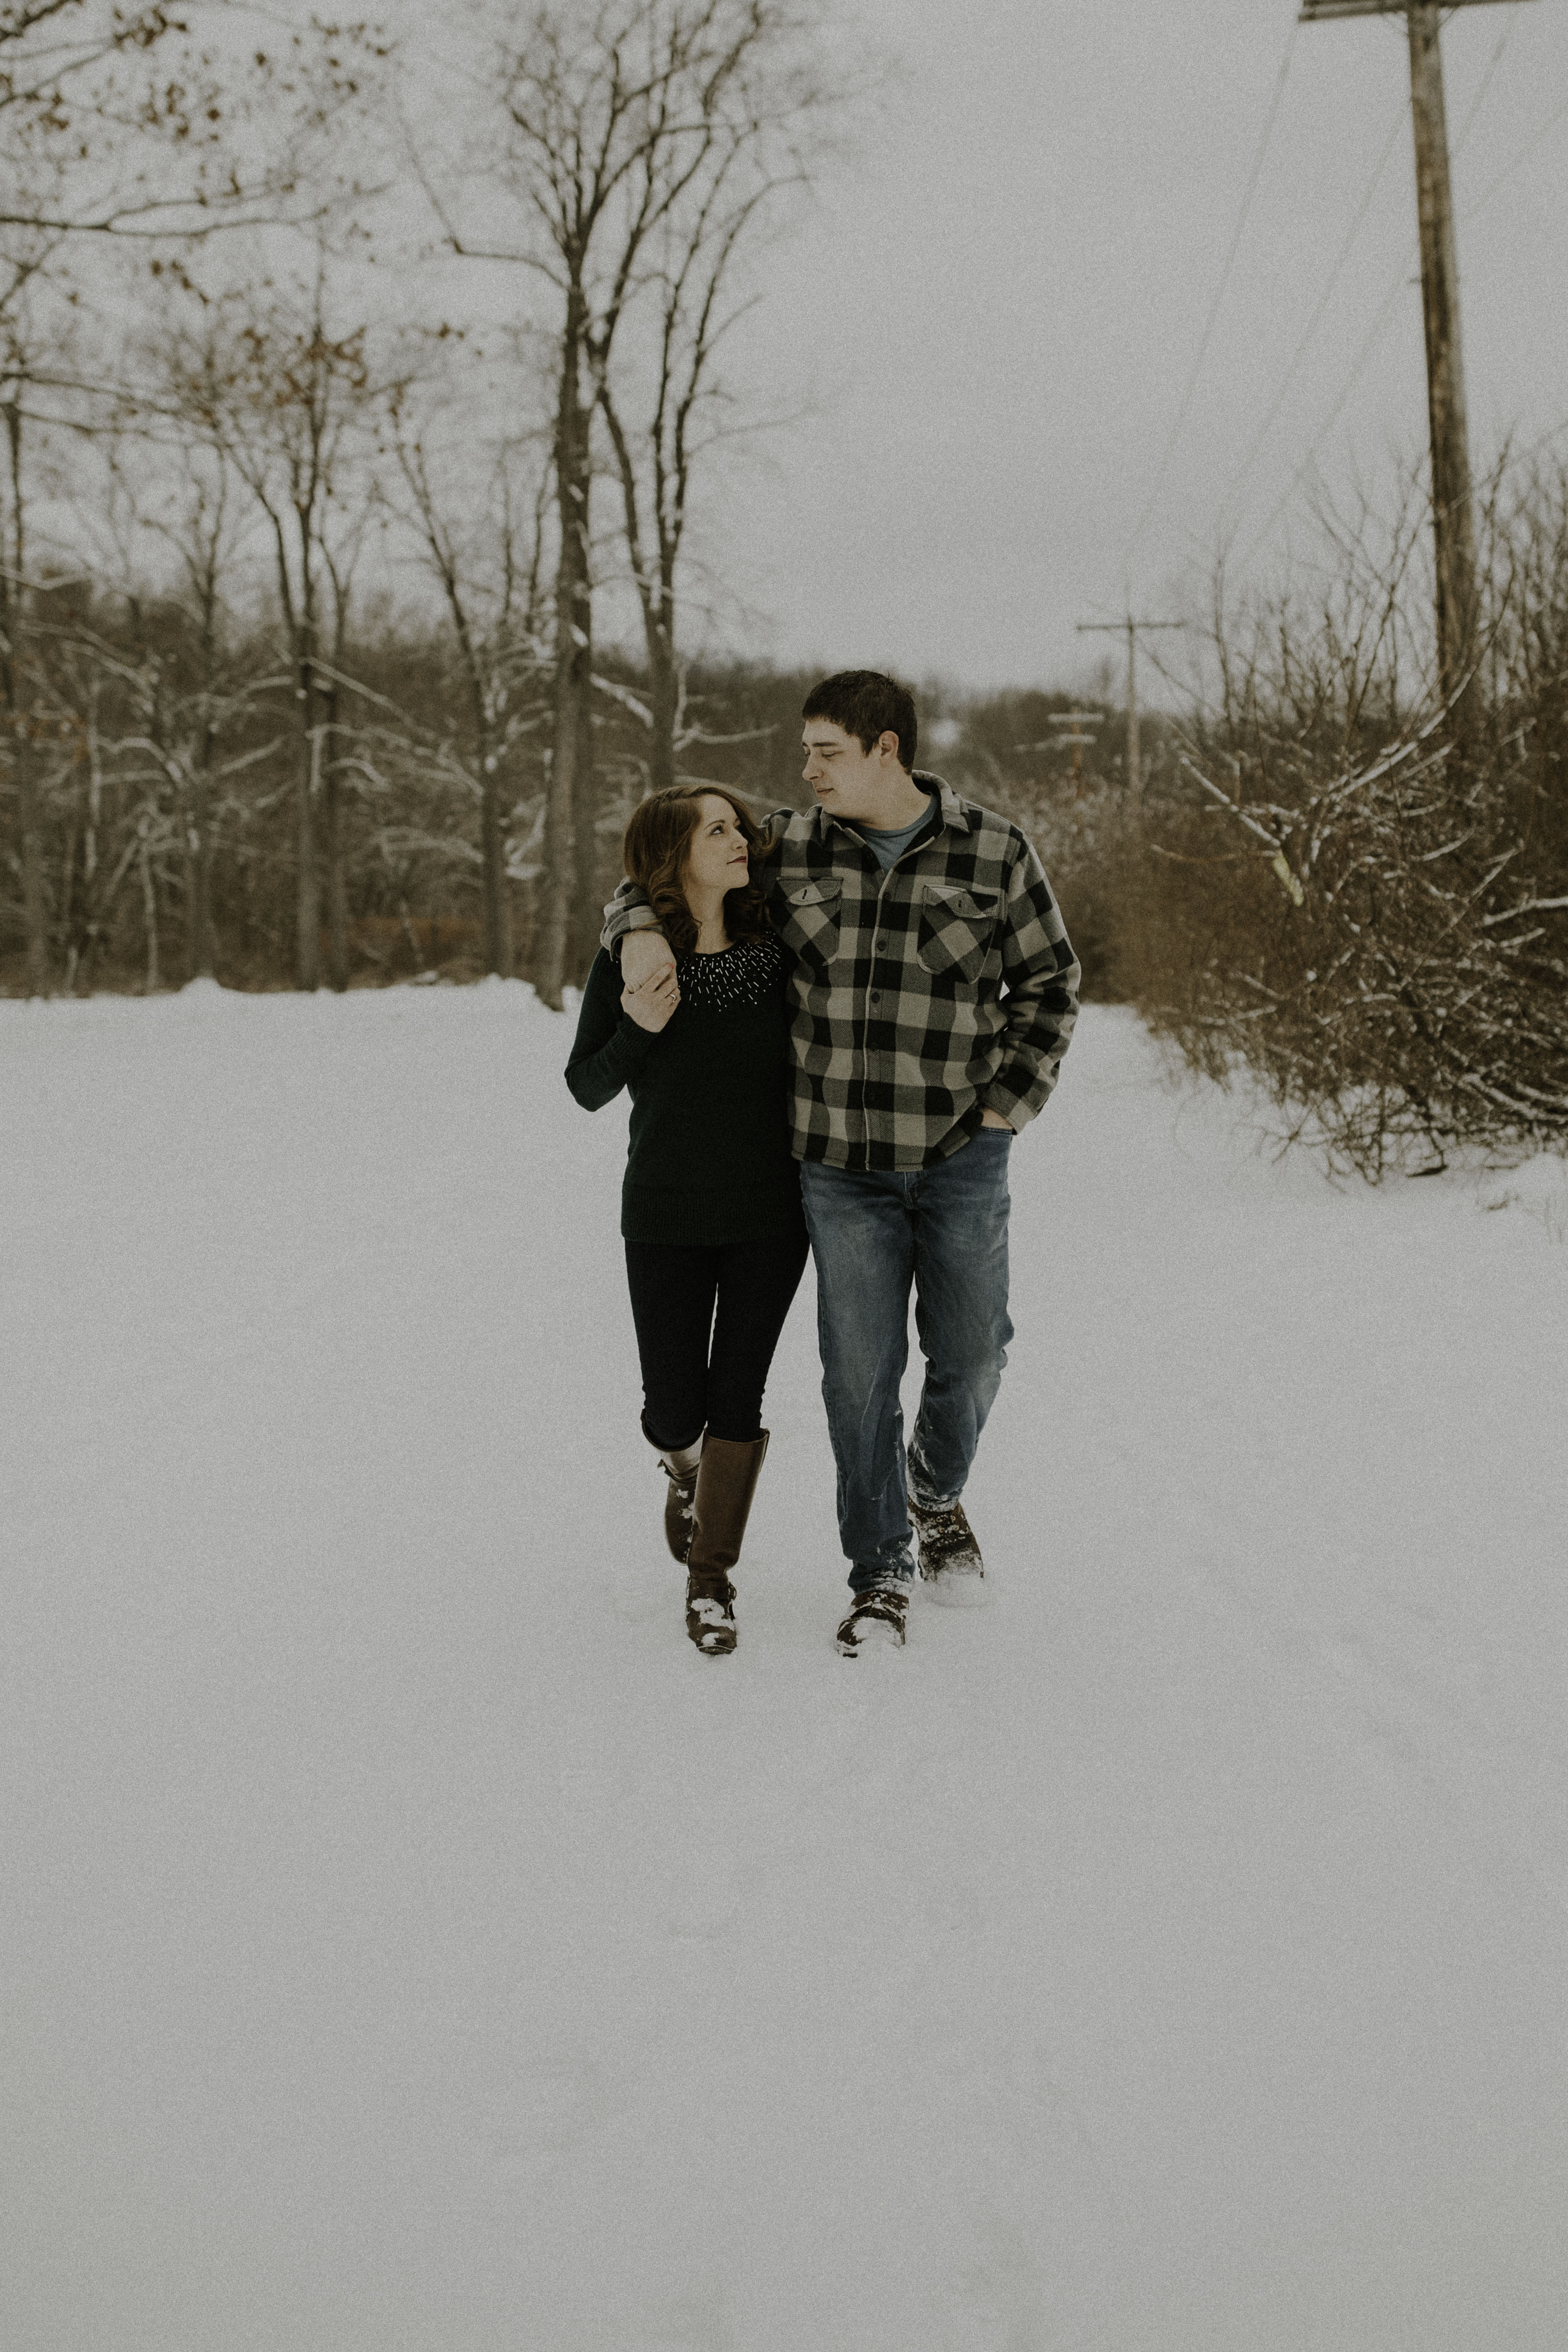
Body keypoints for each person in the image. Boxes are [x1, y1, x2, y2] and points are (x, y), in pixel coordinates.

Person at [607, 671, 1079, 1656]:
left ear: (886, 750)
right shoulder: (789, 846)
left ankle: (932, 1493)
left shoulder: (994, 848)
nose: (808, 769)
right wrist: (638, 930)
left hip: (959, 1154)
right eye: (806, 751)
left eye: (826, 751)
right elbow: (661, 871)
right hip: (836, 1165)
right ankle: (881, 1574)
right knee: (858, 1377)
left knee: (974, 1353)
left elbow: (1049, 982)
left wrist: (1007, 1105)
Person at [566, 786, 808, 1656]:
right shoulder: (634, 961)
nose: (739, 839)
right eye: (717, 830)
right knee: (673, 1410)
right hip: (664, 1215)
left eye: (737, 826)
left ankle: (710, 1581)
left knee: (737, 1396)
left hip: (770, 1217)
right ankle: (682, 1469)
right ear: (675, 854)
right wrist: (637, 1026)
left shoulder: (776, 948)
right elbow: (585, 1085)